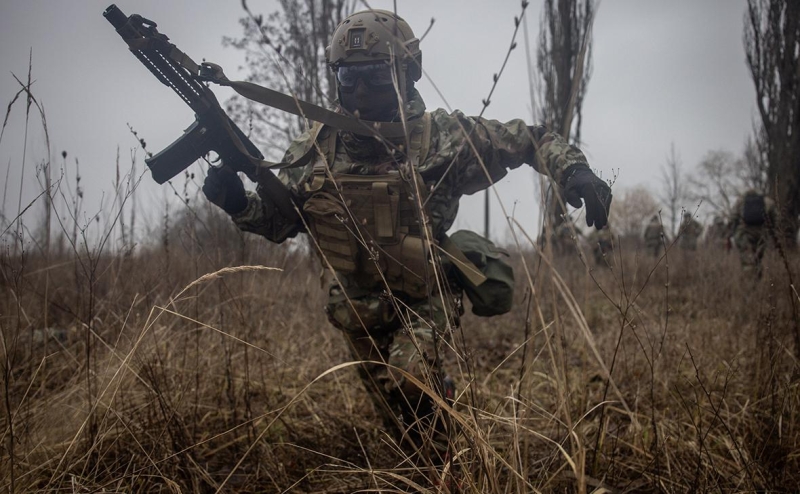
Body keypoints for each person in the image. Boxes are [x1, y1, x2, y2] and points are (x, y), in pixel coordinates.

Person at [201, 9, 612, 464]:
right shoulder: (314, 146)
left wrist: (574, 170)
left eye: (376, 76)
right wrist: (239, 205)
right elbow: (287, 222)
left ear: (406, 73)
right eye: (348, 78)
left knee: (411, 378)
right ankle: (429, 446)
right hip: (355, 307)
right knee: (401, 422)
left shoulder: (441, 137)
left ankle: (452, 466)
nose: (359, 92)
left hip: (424, 293)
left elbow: (528, 140)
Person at [730, 189, 776, 273]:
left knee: (748, 261)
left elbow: (733, 218)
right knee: (758, 259)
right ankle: (757, 280)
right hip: (762, 235)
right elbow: (775, 220)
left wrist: (732, 234)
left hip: (745, 234)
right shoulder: (768, 202)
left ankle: (750, 283)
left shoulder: (740, 201)